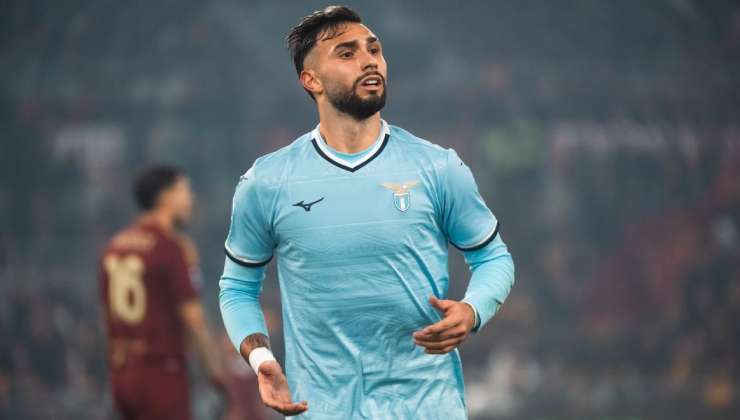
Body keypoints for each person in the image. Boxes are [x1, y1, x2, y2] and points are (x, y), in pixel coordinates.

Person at [219, 6, 515, 419]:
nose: (369, 60)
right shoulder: (267, 182)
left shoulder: (437, 167)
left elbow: (493, 257)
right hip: (322, 409)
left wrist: (472, 309)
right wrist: (261, 358)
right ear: (311, 80)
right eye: (347, 53)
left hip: (427, 408)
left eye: (374, 50)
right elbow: (237, 286)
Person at [100, 166, 227, 420]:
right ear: (166, 196)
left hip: (122, 374)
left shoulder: (114, 247)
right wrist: (216, 373)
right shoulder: (171, 248)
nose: (191, 199)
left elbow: (106, 317)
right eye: (185, 190)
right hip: (161, 373)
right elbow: (194, 319)